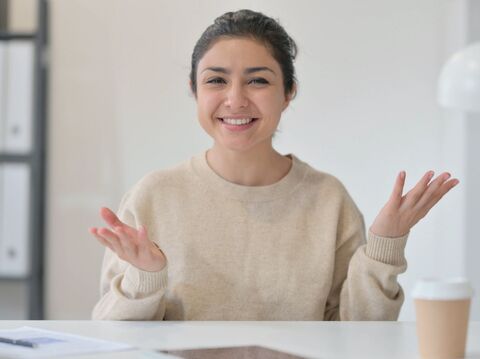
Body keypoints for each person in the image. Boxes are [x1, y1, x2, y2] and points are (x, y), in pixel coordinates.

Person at [90, 9, 458, 321]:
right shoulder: (154, 196)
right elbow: (110, 338)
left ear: (288, 92)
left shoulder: (328, 200)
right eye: (216, 80)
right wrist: (145, 279)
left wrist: (384, 246)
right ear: (194, 89)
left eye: (258, 81)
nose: (235, 99)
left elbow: (356, 339)